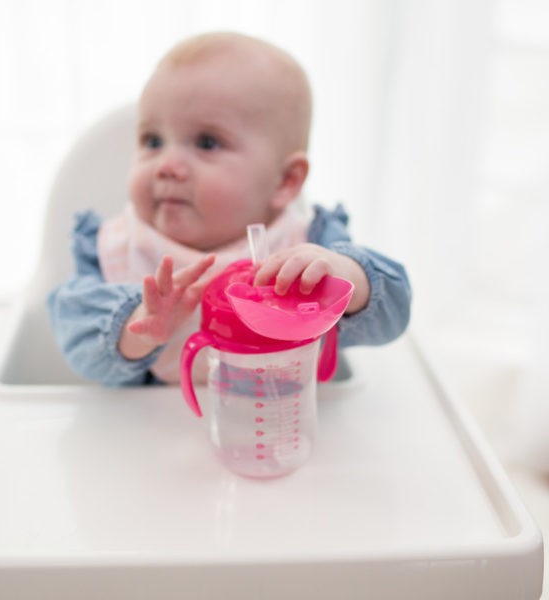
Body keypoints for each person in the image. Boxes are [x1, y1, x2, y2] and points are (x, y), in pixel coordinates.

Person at [47, 31, 411, 386]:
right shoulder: (116, 246)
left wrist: (344, 276)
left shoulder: (311, 243)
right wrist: (141, 326)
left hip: (279, 429)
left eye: (207, 143)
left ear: (285, 181)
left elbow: (394, 314)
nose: (166, 165)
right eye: (152, 141)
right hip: (153, 435)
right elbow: (75, 339)